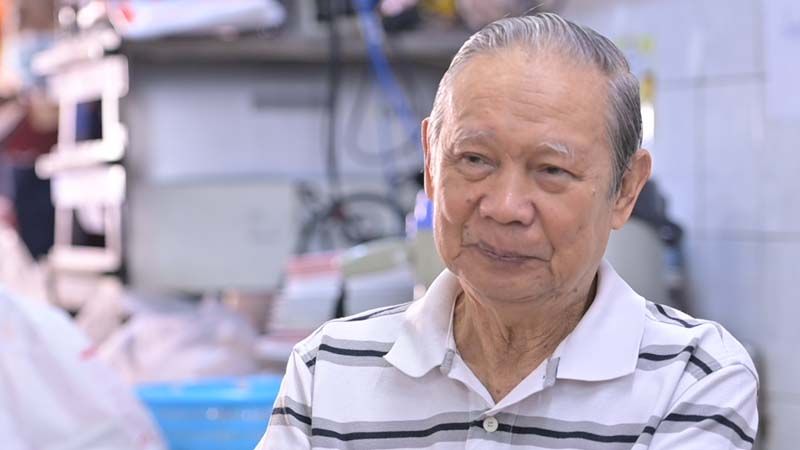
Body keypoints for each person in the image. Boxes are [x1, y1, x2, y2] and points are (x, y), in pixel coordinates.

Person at [256, 13, 758, 450]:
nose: (505, 208)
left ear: (625, 190)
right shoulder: (329, 369)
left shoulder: (693, 378)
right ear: (431, 161)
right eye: (475, 159)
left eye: (551, 170)